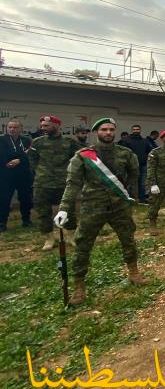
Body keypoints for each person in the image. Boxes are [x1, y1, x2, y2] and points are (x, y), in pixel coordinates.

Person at [54, 118, 144, 305]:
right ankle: (79, 286)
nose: (108, 132)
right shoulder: (83, 155)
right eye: (104, 129)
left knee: (128, 239)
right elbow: (73, 184)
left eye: (111, 129)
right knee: (83, 244)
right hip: (92, 206)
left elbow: (134, 173)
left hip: (119, 206)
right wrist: (64, 208)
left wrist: (128, 192)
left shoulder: (125, 153)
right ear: (97, 132)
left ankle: (134, 273)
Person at [29, 115, 81, 249]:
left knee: (68, 210)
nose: (43, 128)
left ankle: (70, 236)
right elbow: (32, 159)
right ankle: (49, 239)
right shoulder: (37, 142)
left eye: (46, 125)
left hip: (63, 183)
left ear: (57, 125)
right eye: (42, 126)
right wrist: (41, 171)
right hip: (42, 183)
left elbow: (77, 158)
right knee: (43, 211)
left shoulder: (69, 142)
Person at [0, 120, 33, 232]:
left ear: (20, 129)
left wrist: (19, 159)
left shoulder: (26, 140)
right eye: (10, 127)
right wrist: (11, 160)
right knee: (4, 199)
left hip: (23, 174)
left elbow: (30, 155)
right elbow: (3, 154)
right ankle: (2, 223)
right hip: (6, 174)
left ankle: (26, 220)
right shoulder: (1, 140)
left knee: (25, 198)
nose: (12, 129)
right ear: (6, 128)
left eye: (15, 127)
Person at [119, 125, 150, 203]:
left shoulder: (145, 141)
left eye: (137, 129)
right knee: (129, 183)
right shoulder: (126, 140)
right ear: (132, 130)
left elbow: (149, 151)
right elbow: (123, 153)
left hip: (142, 165)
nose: (136, 131)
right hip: (130, 165)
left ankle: (142, 200)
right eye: (134, 129)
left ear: (140, 130)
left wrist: (146, 158)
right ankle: (127, 199)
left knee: (142, 184)